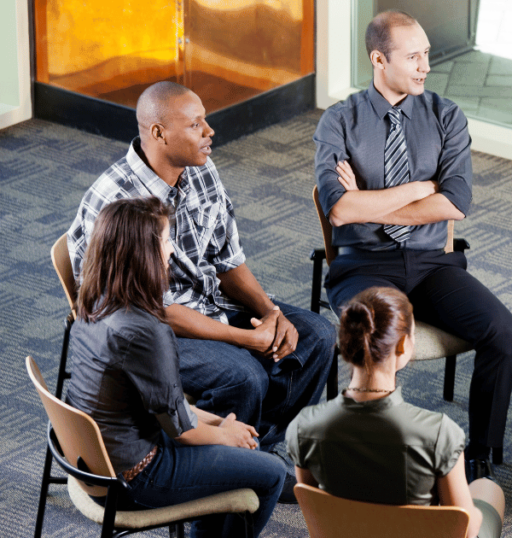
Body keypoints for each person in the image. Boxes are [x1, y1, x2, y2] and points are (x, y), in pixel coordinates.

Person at [67, 81, 334, 501]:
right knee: (243, 375)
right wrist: (244, 337)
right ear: (159, 133)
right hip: (152, 327)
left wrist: (270, 313)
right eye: (196, 124)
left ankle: (257, 445)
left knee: (318, 335)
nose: (210, 131)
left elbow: (226, 258)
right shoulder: (115, 202)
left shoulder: (200, 167)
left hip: (210, 300)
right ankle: (229, 467)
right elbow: (145, 309)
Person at [313, 10, 512, 478]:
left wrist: (369, 201)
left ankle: (481, 457)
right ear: (379, 59)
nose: (426, 65)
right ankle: (365, 449)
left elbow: (457, 202)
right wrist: (419, 188)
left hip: (433, 263)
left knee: (502, 332)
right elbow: (340, 211)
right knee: (375, 341)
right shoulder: (339, 121)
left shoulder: (445, 115)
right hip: (363, 264)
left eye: (426, 53)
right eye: (413, 56)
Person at [65, 197, 286, 537]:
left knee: (243, 444)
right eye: (167, 241)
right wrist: (224, 436)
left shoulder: (94, 302)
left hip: (99, 463)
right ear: (144, 255)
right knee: (271, 473)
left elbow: (161, 406)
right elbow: (181, 430)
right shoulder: (147, 332)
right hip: (138, 476)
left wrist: (219, 423)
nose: (171, 252)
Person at [286, 287, 506, 538]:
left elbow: (317, 509)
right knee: (487, 488)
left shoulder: (303, 427)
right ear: (403, 345)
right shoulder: (438, 433)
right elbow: (465, 529)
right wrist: (474, 513)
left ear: (347, 343)